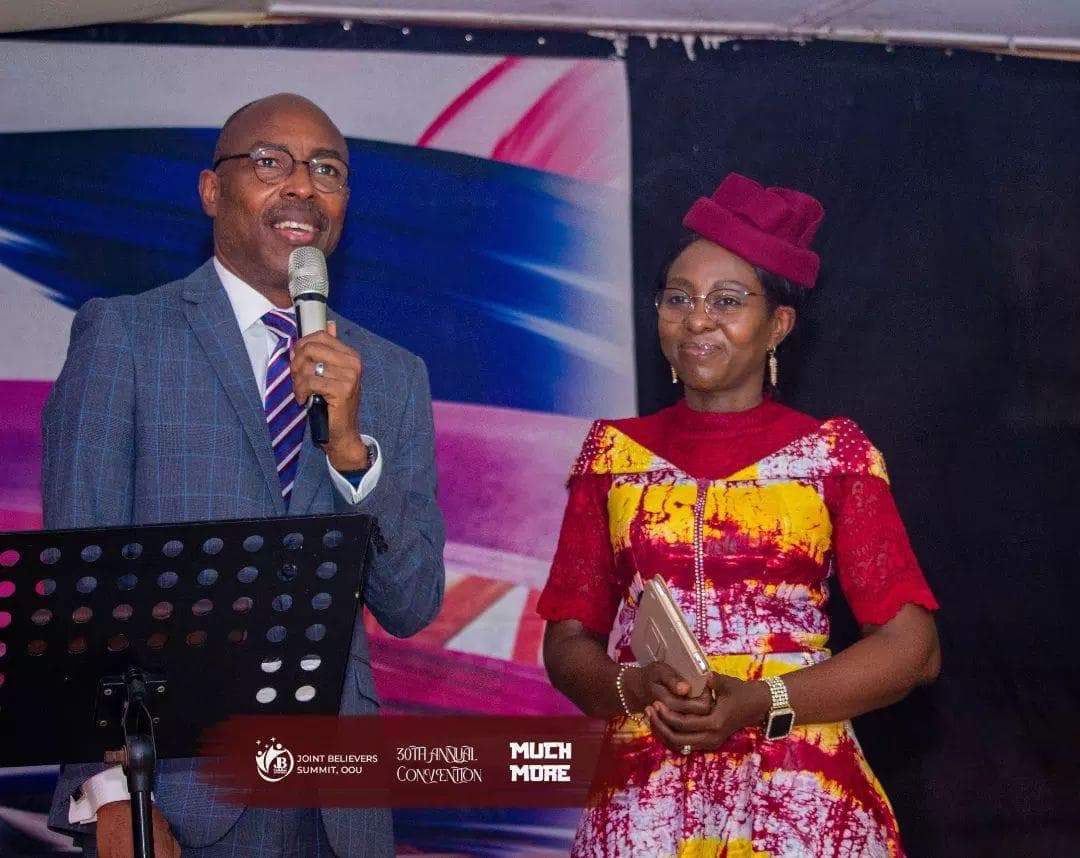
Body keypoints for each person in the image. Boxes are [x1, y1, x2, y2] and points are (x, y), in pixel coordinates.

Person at [41, 93, 445, 857]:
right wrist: (107, 795)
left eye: (327, 170)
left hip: (337, 802)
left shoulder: (392, 375)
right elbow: (79, 588)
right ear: (211, 190)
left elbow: (412, 602)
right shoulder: (125, 336)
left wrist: (352, 454)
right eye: (270, 162)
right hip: (172, 790)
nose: (302, 186)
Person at [538, 173, 941, 857]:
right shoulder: (613, 455)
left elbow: (914, 649)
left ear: (778, 325)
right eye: (678, 298)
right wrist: (633, 686)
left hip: (799, 795)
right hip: (645, 801)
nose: (697, 320)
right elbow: (567, 643)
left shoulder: (832, 456)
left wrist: (759, 702)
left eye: (727, 301)